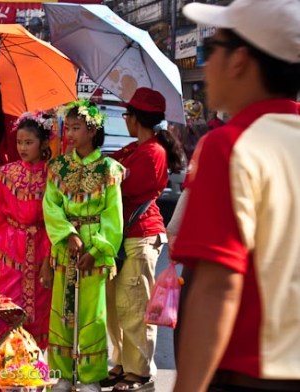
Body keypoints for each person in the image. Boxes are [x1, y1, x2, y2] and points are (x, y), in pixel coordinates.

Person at [171, 0, 300, 391]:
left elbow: (217, 287)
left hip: (248, 375)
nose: (205, 65)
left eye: (212, 51)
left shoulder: (230, 146)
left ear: (240, 60)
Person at [104, 88, 185, 391]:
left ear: (135, 118)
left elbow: (115, 185)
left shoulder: (153, 153)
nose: (126, 120)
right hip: (123, 236)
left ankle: (139, 374)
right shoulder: (135, 148)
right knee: (115, 306)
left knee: (134, 307)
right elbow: (107, 164)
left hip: (141, 235)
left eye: (126, 115)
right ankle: (123, 365)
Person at [43, 100, 124, 392]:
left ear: (92, 130)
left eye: (76, 127)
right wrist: (67, 234)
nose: (70, 134)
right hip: (66, 250)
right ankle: (64, 375)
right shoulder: (57, 168)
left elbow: (113, 218)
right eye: (69, 127)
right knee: (62, 312)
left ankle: (90, 377)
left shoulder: (109, 169)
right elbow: (51, 207)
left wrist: (96, 249)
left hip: (94, 252)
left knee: (92, 314)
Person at [0, 111, 54, 349]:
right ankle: (3, 363)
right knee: (6, 305)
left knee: (41, 308)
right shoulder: (8, 172)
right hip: (9, 247)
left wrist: (50, 257)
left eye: (29, 143)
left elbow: (57, 218)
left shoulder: (53, 175)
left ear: (43, 144)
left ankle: (32, 368)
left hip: (42, 246)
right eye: (19, 142)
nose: (23, 147)